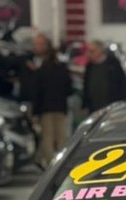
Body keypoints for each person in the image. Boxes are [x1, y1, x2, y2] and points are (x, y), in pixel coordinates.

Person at [20, 35, 73, 168]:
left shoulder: (40, 70)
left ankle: (51, 164)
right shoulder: (62, 68)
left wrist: (35, 112)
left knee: (47, 137)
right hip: (60, 106)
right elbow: (69, 88)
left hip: (45, 108)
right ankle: (63, 162)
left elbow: (37, 92)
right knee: (61, 136)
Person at [82, 41, 126, 115]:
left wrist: (121, 102)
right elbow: (86, 86)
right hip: (94, 108)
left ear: (100, 51)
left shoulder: (113, 64)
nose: (89, 54)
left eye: (92, 51)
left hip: (112, 107)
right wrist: (85, 105)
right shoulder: (89, 67)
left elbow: (122, 84)